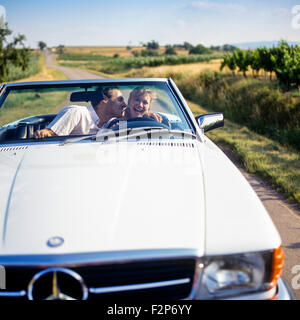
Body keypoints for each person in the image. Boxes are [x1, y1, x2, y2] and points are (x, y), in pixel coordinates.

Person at [33, 87, 127, 139]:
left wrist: (125, 118)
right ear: (105, 100)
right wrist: (45, 132)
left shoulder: (112, 123)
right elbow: (50, 134)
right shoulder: (77, 113)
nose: (124, 104)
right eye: (120, 100)